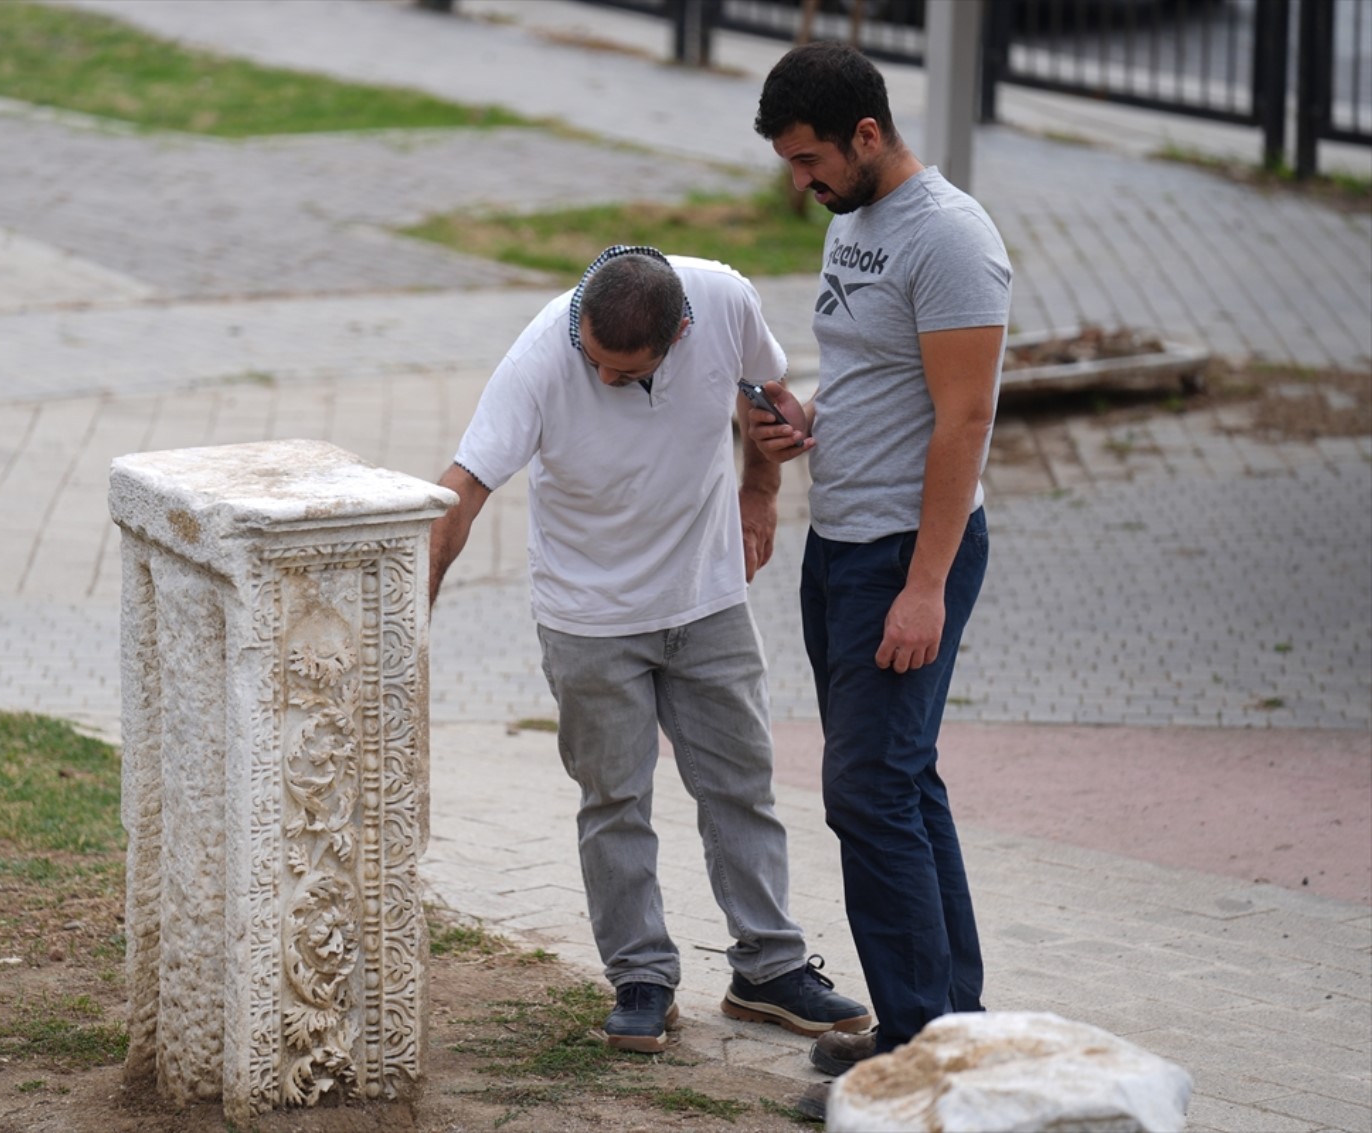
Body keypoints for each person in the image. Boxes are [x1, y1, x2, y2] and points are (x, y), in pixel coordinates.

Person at [427, 245, 871, 1054]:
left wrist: (759, 490)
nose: (601, 380)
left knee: (741, 784)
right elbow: (464, 488)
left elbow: (765, 395)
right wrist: (409, 615)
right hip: (588, 615)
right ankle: (642, 976)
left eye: (622, 373)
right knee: (615, 798)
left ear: (678, 335)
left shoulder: (724, 300)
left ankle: (767, 969)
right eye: (592, 361)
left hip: (705, 596)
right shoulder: (542, 355)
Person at [747, 42, 1013, 1121]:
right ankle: (949, 1022)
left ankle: (914, 1063)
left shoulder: (948, 238)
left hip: (904, 555)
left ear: (866, 134)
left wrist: (924, 584)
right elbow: (876, 369)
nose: (798, 185)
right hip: (839, 545)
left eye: (809, 161)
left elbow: (964, 416)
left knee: (865, 790)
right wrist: (811, 417)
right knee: (901, 781)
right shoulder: (854, 223)